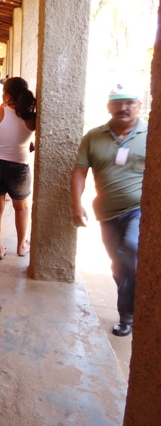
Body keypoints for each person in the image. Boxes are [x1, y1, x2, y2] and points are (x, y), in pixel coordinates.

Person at [71, 84, 146, 337]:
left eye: (129, 103)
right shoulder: (94, 136)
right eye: (117, 103)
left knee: (131, 249)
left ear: (140, 105)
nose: (122, 108)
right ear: (108, 107)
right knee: (118, 265)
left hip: (139, 210)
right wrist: (76, 203)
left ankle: (127, 315)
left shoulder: (151, 134)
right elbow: (80, 171)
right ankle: (131, 302)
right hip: (107, 213)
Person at [0, 77, 36, 260]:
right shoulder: (31, 117)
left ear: (6, 95)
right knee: (22, 208)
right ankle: (21, 246)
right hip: (19, 167)